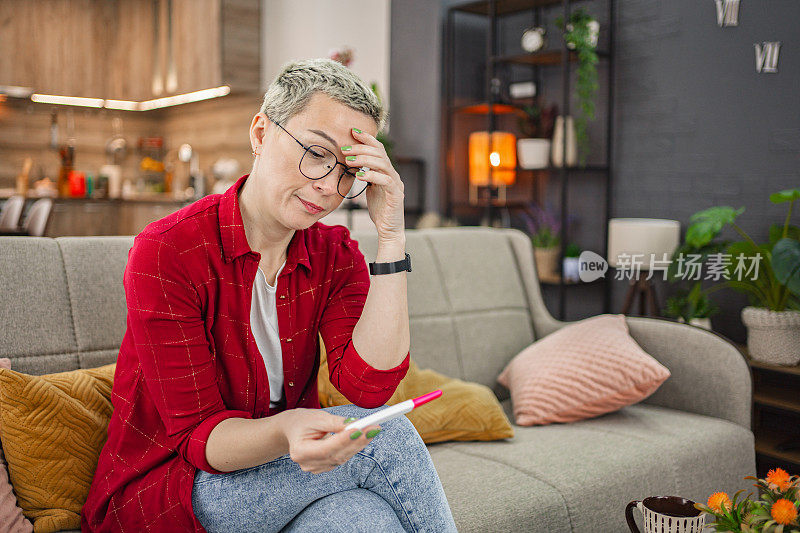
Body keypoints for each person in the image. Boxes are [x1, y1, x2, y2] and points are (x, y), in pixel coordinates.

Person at [80, 58, 458, 532]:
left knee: (361, 519)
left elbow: (369, 387)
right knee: (390, 439)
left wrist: (392, 238)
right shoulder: (169, 250)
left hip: (284, 476)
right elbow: (203, 441)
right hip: (173, 488)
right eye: (317, 153)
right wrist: (286, 430)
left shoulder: (334, 253)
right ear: (260, 134)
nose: (328, 185)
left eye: (348, 171)